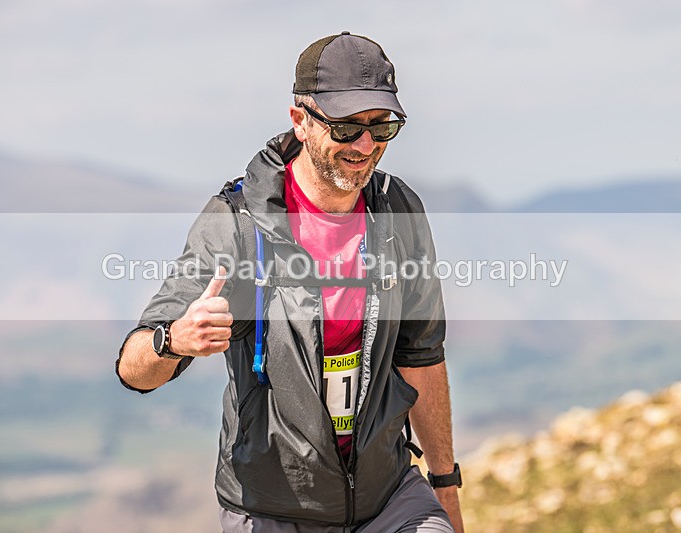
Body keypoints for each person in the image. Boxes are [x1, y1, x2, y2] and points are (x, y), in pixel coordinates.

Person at [116, 32, 465, 533]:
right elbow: (134, 368)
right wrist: (175, 340)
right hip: (272, 511)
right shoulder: (237, 224)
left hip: (389, 499)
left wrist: (445, 487)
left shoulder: (398, 210)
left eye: (381, 125)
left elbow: (422, 357)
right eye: (346, 128)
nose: (366, 146)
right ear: (300, 121)